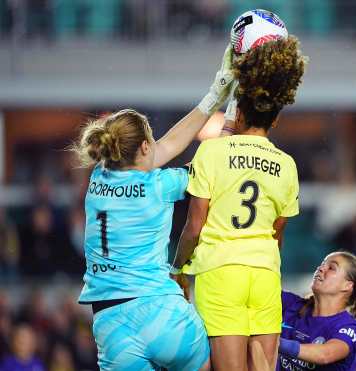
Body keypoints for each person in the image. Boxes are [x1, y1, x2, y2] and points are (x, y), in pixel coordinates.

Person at [72, 44, 236, 371]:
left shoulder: (99, 178)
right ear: (145, 147)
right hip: (161, 312)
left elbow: (167, 146)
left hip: (110, 324)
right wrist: (229, 105)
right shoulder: (159, 185)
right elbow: (215, 161)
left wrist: (212, 95)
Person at [171, 35, 307, 371]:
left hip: (220, 273)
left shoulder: (212, 151)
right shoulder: (287, 164)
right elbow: (278, 234)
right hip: (263, 273)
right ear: (275, 120)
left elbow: (195, 226)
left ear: (239, 110)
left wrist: (178, 268)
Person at [277, 251, 356, 371]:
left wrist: (274, 342)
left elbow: (325, 354)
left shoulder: (350, 327)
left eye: (331, 268)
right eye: (322, 264)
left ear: (347, 286)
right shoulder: (291, 304)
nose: (320, 268)